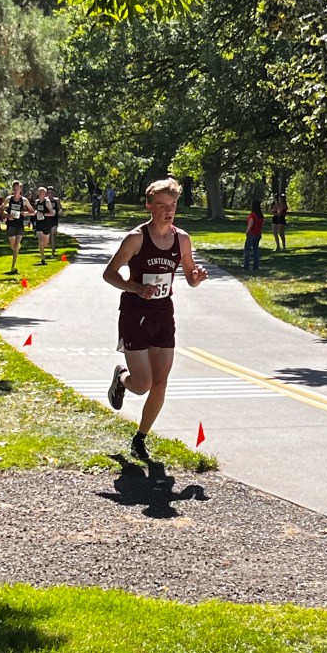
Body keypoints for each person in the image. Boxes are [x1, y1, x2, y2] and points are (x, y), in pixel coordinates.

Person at [103, 176, 208, 462]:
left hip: (163, 313)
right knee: (142, 384)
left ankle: (140, 439)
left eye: (172, 204)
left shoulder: (182, 239)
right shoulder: (136, 238)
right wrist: (136, 288)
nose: (168, 210)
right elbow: (109, 274)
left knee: (160, 382)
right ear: (149, 206)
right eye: (161, 204)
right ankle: (121, 378)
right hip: (135, 313)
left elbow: (190, 276)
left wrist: (196, 278)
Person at [5, 179, 35, 274]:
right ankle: (17, 249)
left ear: (20, 189)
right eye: (14, 189)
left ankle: (13, 267)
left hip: (19, 226)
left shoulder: (24, 200)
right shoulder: (9, 199)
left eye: (17, 189)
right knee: (13, 246)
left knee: (16, 245)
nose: (16, 190)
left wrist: (25, 213)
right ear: (12, 189)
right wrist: (7, 215)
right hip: (11, 225)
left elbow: (33, 212)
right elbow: (1, 209)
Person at [243, 198, 264, 272]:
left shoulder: (252, 215)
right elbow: (262, 225)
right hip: (258, 234)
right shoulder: (260, 216)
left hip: (252, 234)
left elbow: (250, 224)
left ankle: (246, 266)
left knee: (247, 250)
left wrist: (247, 232)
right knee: (256, 250)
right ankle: (256, 266)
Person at [32, 185, 52, 264]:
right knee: (40, 240)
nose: (40, 193)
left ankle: (42, 249)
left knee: (45, 243)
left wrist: (43, 214)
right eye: (39, 192)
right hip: (39, 223)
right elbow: (35, 211)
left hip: (47, 223)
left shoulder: (47, 202)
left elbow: (52, 213)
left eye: (42, 192)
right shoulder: (36, 202)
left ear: (45, 194)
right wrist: (35, 213)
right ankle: (43, 258)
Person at [47, 186, 63, 257]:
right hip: (47, 220)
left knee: (53, 236)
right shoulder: (45, 200)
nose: (50, 194)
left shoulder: (56, 200)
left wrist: (60, 211)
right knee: (49, 237)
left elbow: (60, 209)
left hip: (54, 220)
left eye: (52, 193)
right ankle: (51, 246)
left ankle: (53, 253)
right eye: (49, 193)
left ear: (53, 193)